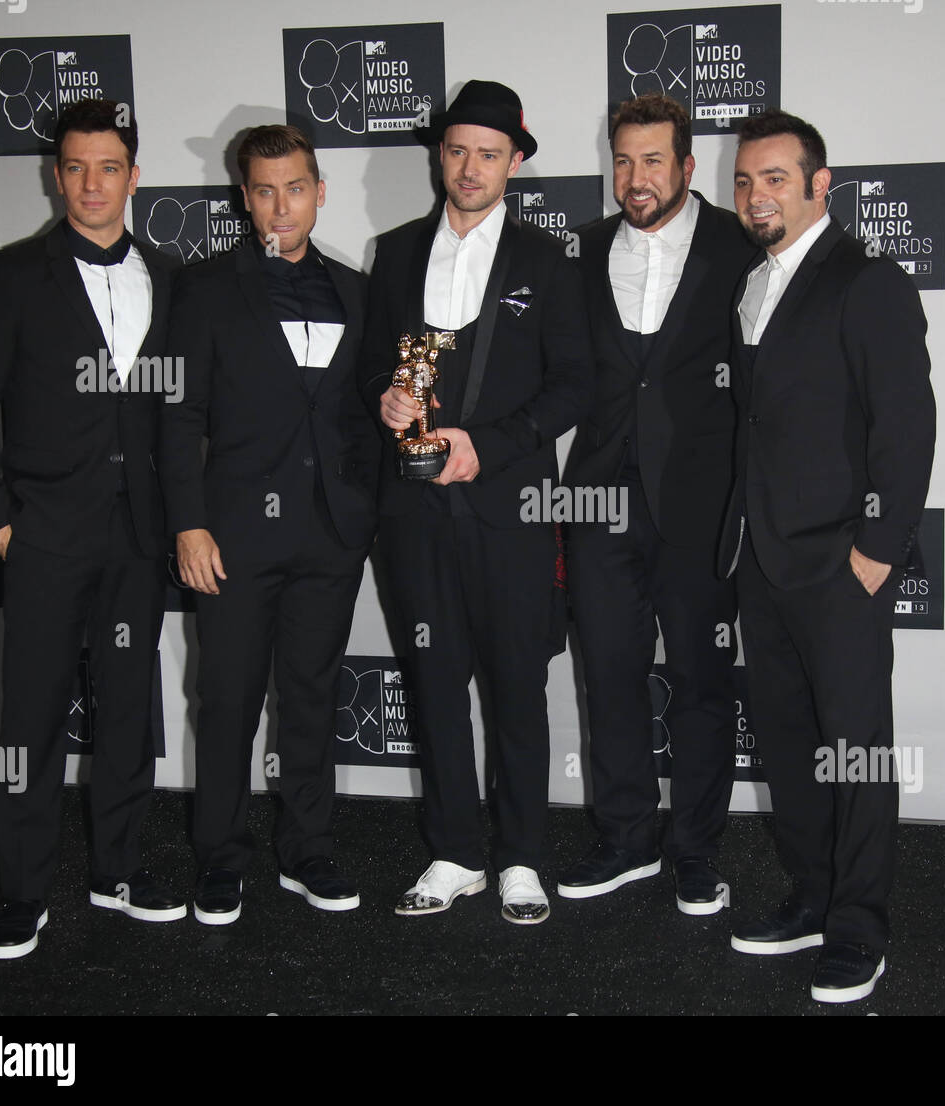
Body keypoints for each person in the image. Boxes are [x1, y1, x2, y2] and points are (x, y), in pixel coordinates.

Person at [0, 98, 184, 958]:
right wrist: (1, 523)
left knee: (128, 709)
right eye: (76, 167)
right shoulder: (10, 277)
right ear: (57, 176)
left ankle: (118, 870)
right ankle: (22, 891)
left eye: (108, 167)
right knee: (31, 720)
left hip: (136, 538)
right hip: (43, 536)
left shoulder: (170, 274)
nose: (92, 183)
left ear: (133, 176)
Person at [364, 80, 592, 925]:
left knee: (516, 685)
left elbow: (576, 385)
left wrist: (487, 446)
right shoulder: (391, 254)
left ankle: (525, 856)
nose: (469, 168)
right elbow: (369, 375)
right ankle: (455, 850)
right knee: (433, 683)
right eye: (457, 150)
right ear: (439, 155)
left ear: (515, 163)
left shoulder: (548, 260)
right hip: (415, 514)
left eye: (488, 154)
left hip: (512, 512)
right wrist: (386, 402)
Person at [720, 111, 936, 1002]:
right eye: (744, 180)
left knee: (855, 753)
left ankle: (859, 926)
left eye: (775, 177)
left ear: (820, 183)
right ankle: (811, 898)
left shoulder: (868, 281)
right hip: (761, 564)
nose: (757, 194)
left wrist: (877, 555)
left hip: (841, 564)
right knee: (789, 746)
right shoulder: (752, 283)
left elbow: (906, 424)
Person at [160, 125, 381, 923]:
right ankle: (220, 858)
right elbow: (178, 415)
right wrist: (188, 524)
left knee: (313, 697)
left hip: (329, 536)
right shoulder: (207, 288)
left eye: (295, 188)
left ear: (319, 192)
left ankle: (307, 849)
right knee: (226, 701)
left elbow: (362, 416)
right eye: (263, 190)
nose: (280, 206)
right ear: (244, 198)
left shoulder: (359, 292)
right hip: (233, 538)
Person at [557, 93, 754, 914]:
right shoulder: (584, 248)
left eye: (652, 161)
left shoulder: (740, 249)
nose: (635, 178)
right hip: (599, 499)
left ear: (685, 164)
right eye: (624, 160)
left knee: (703, 683)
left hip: (700, 509)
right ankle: (627, 838)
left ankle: (697, 850)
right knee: (608, 676)